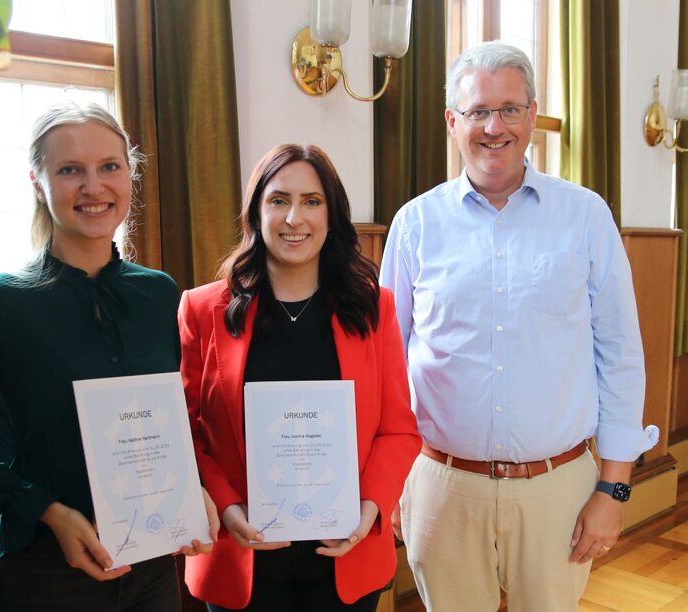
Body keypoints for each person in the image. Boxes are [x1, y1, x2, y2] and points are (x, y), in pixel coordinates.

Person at [379, 41, 659, 611]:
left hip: (558, 489)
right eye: (478, 111)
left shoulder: (585, 216)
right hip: (442, 485)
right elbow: (386, 362)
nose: (494, 127)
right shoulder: (415, 225)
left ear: (532, 115)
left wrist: (614, 488)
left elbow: (621, 356)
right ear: (452, 122)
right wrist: (386, 486)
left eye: (509, 109)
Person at [0, 101, 218, 611]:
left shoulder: (159, 296)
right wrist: (48, 511)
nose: (94, 187)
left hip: (151, 575)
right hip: (41, 579)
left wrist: (195, 491)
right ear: (39, 182)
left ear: (130, 175)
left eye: (109, 167)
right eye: (70, 170)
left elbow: (171, 420)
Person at [178, 144, 421, 611]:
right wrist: (228, 510)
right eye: (278, 200)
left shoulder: (374, 308)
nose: (295, 218)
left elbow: (398, 430)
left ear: (332, 215)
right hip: (242, 555)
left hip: (343, 553)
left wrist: (368, 509)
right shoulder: (201, 310)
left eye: (312, 201)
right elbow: (188, 435)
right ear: (256, 211)